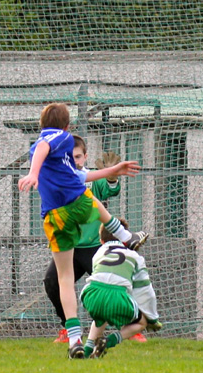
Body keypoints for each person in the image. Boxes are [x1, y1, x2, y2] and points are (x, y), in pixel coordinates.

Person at [18, 102, 149, 359]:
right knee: (89, 202)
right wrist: (33, 172)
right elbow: (46, 145)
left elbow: (84, 175)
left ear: (41, 124)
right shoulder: (59, 137)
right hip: (75, 205)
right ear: (67, 127)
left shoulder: (58, 160)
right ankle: (125, 237)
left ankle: (75, 340)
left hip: (54, 217)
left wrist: (113, 171)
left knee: (66, 279)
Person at [44, 136, 147, 343]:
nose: (76, 161)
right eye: (71, 157)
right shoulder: (61, 178)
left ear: (85, 156)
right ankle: (68, 328)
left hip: (95, 249)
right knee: (52, 282)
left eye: (79, 156)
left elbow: (112, 190)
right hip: (69, 248)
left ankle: (131, 325)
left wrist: (112, 178)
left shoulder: (90, 178)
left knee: (115, 285)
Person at [80, 218, 162, 358]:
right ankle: (109, 341)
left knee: (102, 314)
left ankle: (87, 350)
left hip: (90, 294)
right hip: (117, 297)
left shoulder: (98, 253)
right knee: (142, 322)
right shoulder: (135, 257)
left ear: (101, 241)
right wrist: (152, 318)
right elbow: (144, 289)